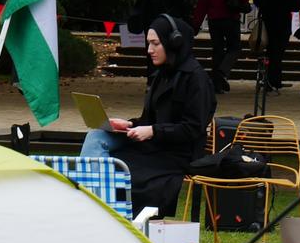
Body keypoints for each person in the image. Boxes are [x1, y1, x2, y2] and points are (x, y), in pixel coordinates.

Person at [80, 14, 215, 217]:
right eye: (148, 43)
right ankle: (90, 200)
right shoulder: (161, 74)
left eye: (155, 43)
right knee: (96, 136)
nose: (149, 50)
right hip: (153, 145)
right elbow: (152, 119)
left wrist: (152, 131)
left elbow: (192, 128)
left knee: (120, 169)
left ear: (174, 43)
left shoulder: (196, 79)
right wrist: (129, 124)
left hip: (176, 154)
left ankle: (93, 205)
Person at [191, 0, 250, 94]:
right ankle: (221, 73)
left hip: (214, 19)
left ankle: (216, 83)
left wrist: (196, 23)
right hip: (230, 18)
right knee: (234, 47)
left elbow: (203, 2)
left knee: (217, 49)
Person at [252, 0, 300, 92]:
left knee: (269, 51)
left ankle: (269, 79)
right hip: (283, 23)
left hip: (268, 22)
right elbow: (296, 6)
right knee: (278, 52)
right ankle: (274, 79)